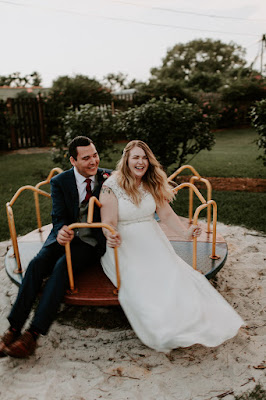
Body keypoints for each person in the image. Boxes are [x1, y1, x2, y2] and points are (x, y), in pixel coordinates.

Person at [99, 140, 244, 353]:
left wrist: (185, 233)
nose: (141, 162)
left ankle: (189, 320)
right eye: (136, 157)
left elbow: (165, 214)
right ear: (126, 161)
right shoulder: (110, 186)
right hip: (125, 243)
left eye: (144, 157)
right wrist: (110, 235)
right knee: (142, 283)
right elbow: (108, 222)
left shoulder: (150, 183)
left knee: (175, 276)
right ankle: (164, 326)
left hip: (153, 239)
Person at [0, 136, 110, 358]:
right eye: (86, 158)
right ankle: (13, 327)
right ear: (73, 160)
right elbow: (58, 215)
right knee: (37, 264)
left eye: (95, 155)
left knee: (62, 268)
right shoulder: (60, 182)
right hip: (64, 236)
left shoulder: (108, 178)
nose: (93, 161)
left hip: (90, 241)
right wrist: (60, 231)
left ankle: (33, 334)